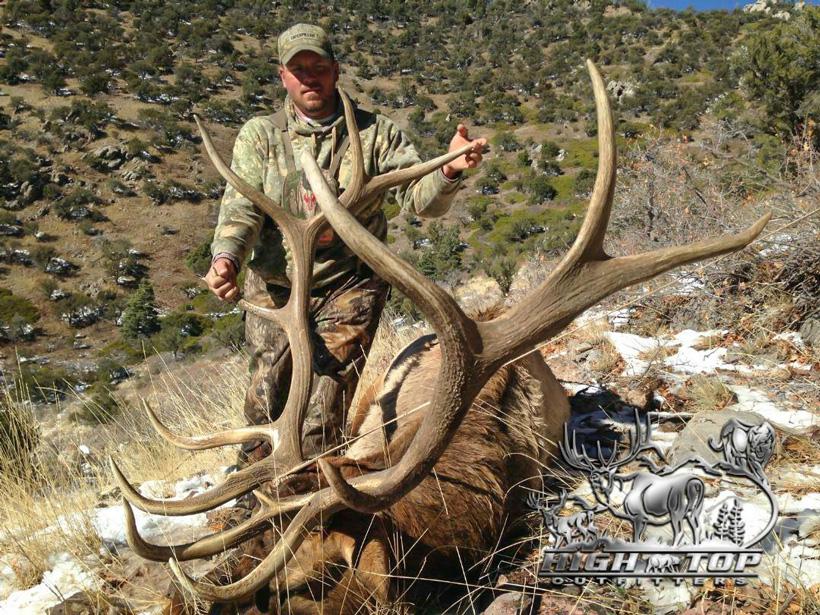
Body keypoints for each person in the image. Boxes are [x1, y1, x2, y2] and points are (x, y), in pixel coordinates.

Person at [205, 23, 485, 463]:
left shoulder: (377, 134)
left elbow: (420, 200)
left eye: (318, 67)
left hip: (349, 285)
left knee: (323, 409)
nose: (309, 78)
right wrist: (227, 259)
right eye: (299, 69)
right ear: (282, 76)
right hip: (277, 287)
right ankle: (253, 489)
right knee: (265, 402)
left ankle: (315, 490)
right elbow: (241, 209)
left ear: (335, 71)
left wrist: (448, 170)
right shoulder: (260, 136)